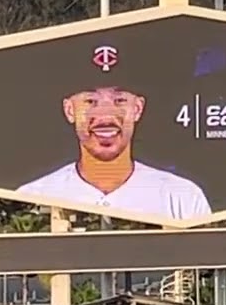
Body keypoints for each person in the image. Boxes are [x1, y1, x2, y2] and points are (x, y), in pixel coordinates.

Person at [16, 79, 211, 220]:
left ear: (137, 108)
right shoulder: (33, 196)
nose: (106, 116)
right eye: (90, 101)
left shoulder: (182, 196)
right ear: (70, 110)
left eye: (119, 100)